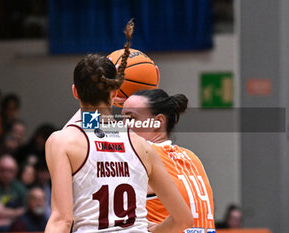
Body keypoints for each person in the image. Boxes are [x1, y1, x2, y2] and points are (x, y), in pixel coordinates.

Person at [45, 20, 193, 233]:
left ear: (75, 92)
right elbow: (183, 220)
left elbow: (62, 220)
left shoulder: (63, 141)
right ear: (115, 93)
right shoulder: (141, 145)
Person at [121, 89, 215, 232]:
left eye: (131, 118)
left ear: (158, 122)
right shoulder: (192, 157)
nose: (122, 125)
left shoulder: (140, 155)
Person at [0, 154, 27, 232]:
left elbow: (28, 209)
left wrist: (9, 220)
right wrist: (17, 212)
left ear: (16, 172)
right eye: (3, 170)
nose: (6, 174)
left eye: (10, 170)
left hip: (9, 223)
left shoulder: (18, 186)